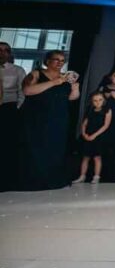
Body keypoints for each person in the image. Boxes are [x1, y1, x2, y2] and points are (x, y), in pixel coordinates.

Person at [18, 50, 80, 190]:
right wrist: (54, 82)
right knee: (35, 147)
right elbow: (27, 90)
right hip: (37, 117)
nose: (59, 63)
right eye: (56, 59)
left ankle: (53, 180)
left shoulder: (66, 77)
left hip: (58, 117)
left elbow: (71, 98)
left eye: (62, 60)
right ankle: (33, 181)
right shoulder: (36, 73)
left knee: (55, 148)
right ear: (48, 61)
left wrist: (75, 89)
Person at [0, 42, 26, 191]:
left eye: (6, 50)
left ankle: (6, 180)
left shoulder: (17, 70)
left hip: (8, 109)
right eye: (0, 50)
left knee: (6, 146)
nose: (2, 53)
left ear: (10, 53)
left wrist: (15, 110)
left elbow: (22, 92)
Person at [73, 91, 112, 184]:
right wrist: (84, 134)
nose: (98, 102)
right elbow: (84, 124)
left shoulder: (107, 110)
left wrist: (94, 135)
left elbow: (106, 125)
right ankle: (82, 176)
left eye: (100, 100)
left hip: (98, 136)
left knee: (96, 157)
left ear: (104, 100)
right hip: (88, 135)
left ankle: (96, 176)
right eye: (95, 100)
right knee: (85, 157)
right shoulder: (90, 110)